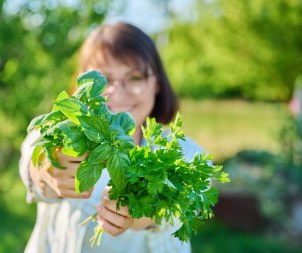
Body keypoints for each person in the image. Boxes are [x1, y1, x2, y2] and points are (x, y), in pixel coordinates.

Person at [19, 22, 205, 253]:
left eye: (135, 77)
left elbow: (186, 204)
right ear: (82, 83)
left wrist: (143, 215)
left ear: (156, 83)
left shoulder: (181, 151)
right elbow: (31, 157)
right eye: (103, 78)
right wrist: (42, 173)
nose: (117, 92)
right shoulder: (63, 133)